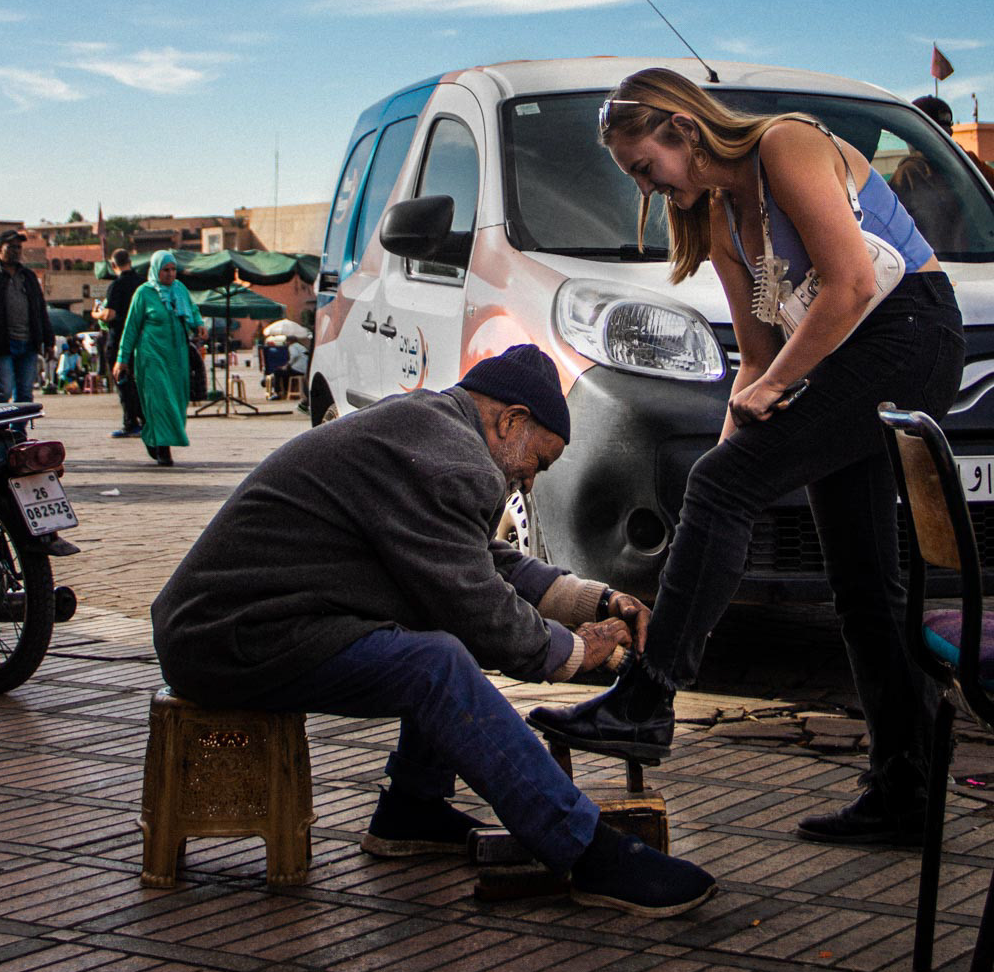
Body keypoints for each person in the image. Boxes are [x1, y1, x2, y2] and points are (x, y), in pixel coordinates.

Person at [530, 69, 965, 848]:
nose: (645, 187)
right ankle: (906, 786)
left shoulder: (785, 145)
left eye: (644, 167)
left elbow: (851, 284)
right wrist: (727, 465)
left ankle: (647, 701)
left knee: (735, 492)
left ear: (683, 129)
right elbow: (757, 359)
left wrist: (732, 467)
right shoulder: (720, 218)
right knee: (861, 580)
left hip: (910, 334)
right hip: (846, 355)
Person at [152, 343, 714, 916]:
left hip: (237, 624)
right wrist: (574, 652)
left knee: (438, 630)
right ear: (511, 420)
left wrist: (594, 602)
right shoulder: (451, 459)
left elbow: (477, 560)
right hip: (223, 639)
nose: (527, 485)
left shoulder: (433, 429)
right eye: (538, 463)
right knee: (436, 663)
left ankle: (412, 809)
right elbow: (477, 605)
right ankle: (586, 852)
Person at [113, 251, 203, 468]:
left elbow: (192, 311)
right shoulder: (144, 293)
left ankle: (154, 436)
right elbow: (131, 328)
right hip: (151, 355)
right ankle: (163, 449)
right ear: (155, 270)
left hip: (177, 355)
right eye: (165, 270)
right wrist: (122, 359)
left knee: (177, 401)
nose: (170, 274)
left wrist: (199, 324)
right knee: (160, 400)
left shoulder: (180, 290)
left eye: (173, 270)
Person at [0, 230, 55, 404]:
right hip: (1, 344)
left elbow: (41, 310)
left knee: (25, 393)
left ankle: (19, 423)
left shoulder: (28, 276)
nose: (16, 251)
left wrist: (49, 341)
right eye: (11, 247)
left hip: (28, 343)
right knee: (3, 390)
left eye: (18, 247)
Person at [94, 248, 144, 438]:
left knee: (123, 382)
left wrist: (96, 313)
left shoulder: (116, 285)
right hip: (140, 340)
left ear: (113, 265)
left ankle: (131, 423)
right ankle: (145, 420)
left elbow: (109, 314)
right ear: (130, 261)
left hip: (119, 339)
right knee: (139, 383)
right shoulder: (142, 283)